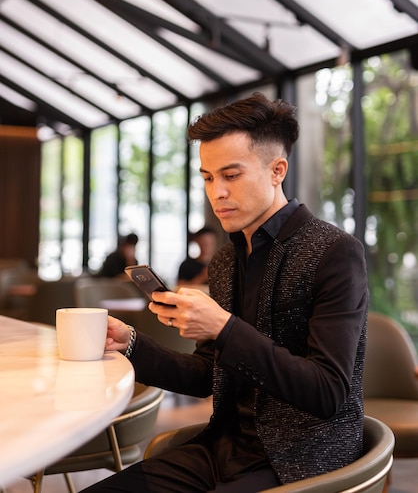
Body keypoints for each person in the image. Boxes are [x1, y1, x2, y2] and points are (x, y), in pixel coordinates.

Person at [81, 92, 369, 492]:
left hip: (302, 459)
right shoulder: (225, 261)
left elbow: (327, 392)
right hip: (224, 448)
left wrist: (224, 327)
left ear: (277, 170)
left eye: (231, 175)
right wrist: (131, 344)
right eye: (208, 177)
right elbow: (206, 376)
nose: (216, 192)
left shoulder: (335, 252)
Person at [176, 226, 218, 291]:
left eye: (211, 243)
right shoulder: (187, 265)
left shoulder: (220, 264)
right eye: (204, 243)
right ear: (198, 242)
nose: (208, 247)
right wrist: (202, 277)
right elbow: (179, 288)